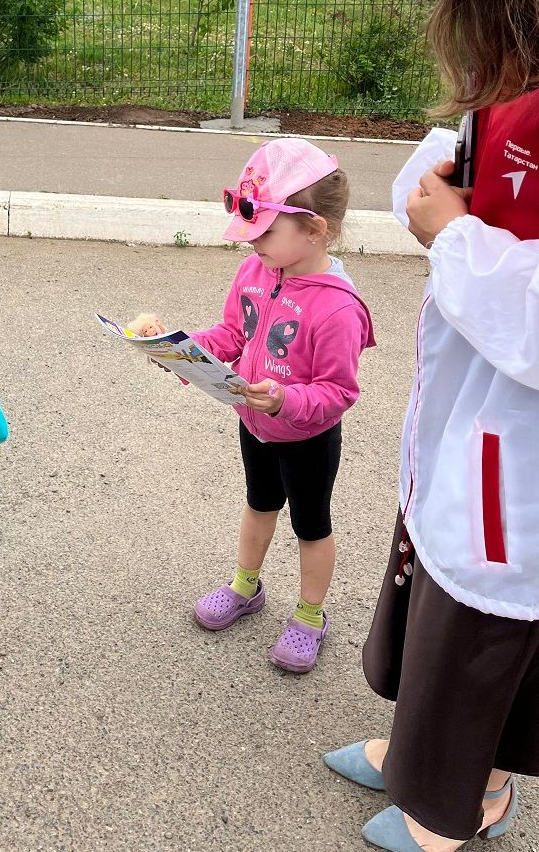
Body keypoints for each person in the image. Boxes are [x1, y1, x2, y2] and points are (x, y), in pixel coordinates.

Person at [324, 0, 539, 852]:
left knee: (484, 616)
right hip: (472, 414)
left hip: (529, 441)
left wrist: (455, 236)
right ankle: (413, 750)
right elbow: (468, 150)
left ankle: (458, 797)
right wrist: (439, 180)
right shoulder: (530, 45)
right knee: (430, 572)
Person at [130, 138, 375, 673]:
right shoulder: (255, 272)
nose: (252, 244)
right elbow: (230, 335)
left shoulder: (337, 308)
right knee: (259, 503)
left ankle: (310, 615)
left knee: (311, 525)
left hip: (307, 436)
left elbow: (339, 392)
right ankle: (246, 586)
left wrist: (287, 398)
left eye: (263, 232)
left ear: (315, 231)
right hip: (254, 422)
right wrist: (178, 350)